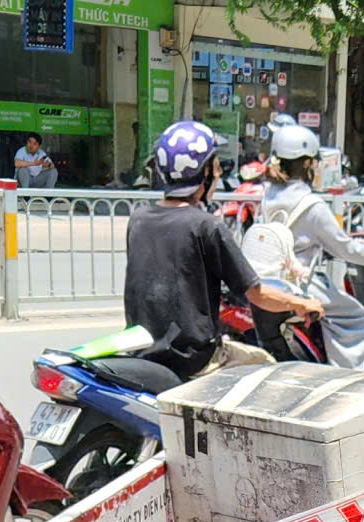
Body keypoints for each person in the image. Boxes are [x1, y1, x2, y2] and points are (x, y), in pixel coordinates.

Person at [124, 119, 319, 379]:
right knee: (267, 364)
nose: (218, 175)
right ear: (203, 173)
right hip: (194, 359)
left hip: (143, 353)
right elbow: (257, 294)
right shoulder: (206, 225)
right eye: (215, 167)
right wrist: (301, 303)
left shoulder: (137, 220)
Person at [259, 120, 364, 370]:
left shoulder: (268, 196)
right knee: (354, 315)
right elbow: (346, 249)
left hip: (269, 280)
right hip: (300, 284)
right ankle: (347, 376)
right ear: (307, 164)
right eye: (314, 162)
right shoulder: (312, 206)